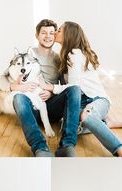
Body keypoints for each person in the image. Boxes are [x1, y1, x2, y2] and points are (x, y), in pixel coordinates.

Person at [40, 21, 122, 157]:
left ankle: (121, 150)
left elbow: (74, 86)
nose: (55, 32)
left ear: (68, 34)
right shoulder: (65, 56)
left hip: (96, 99)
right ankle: (106, 123)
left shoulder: (74, 54)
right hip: (81, 101)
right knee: (70, 126)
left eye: (59, 30)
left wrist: (51, 87)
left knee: (86, 117)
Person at [12, 19, 82, 157]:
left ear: (55, 36)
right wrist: (18, 86)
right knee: (18, 97)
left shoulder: (59, 58)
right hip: (32, 107)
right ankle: (40, 148)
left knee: (75, 89)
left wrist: (50, 91)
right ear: (37, 35)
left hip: (51, 106)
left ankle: (67, 145)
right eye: (43, 33)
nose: (48, 36)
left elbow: (65, 87)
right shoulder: (27, 56)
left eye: (51, 33)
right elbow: (5, 78)